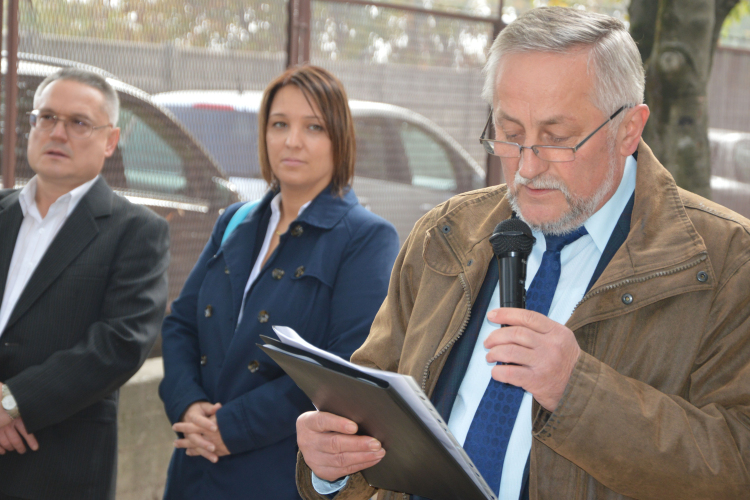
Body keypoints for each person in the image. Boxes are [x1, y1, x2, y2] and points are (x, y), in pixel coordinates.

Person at [296, 7, 750, 500]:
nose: (527, 165)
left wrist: (578, 393)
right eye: (510, 134)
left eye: (557, 139)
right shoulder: (446, 234)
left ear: (629, 129)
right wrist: (332, 467)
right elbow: (369, 414)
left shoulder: (726, 261)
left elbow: (736, 463)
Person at [158, 65, 400, 499]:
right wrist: (188, 406)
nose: (292, 141)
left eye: (313, 127)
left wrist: (232, 428)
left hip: (275, 473)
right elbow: (181, 326)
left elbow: (345, 366)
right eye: (279, 124)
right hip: (194, 465)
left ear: (339, 140)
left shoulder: (365, 237)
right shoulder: (234, 221)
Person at [0, 68, 169, 500]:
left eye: (78, 123)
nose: (58, 133)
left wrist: (11, 402)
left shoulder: (136, 231)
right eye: (47, 118)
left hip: (56, 461)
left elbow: (120, 342)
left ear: (110, 141)